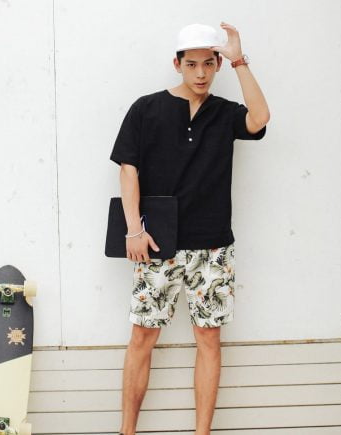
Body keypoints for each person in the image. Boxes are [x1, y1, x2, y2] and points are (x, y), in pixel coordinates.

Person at [109, 22, 270, 435]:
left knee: (209, 339)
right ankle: (126, 431)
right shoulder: (146, 108)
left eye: (208, 64)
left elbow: (260, 118)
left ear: (217, 65)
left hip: (213, 246)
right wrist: (133, 230)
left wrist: (239, 59)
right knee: (142, 338)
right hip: (156, 242)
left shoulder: (225, 113)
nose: (200, 73)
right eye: (192, 64)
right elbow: (128, 170)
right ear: (177, 64)